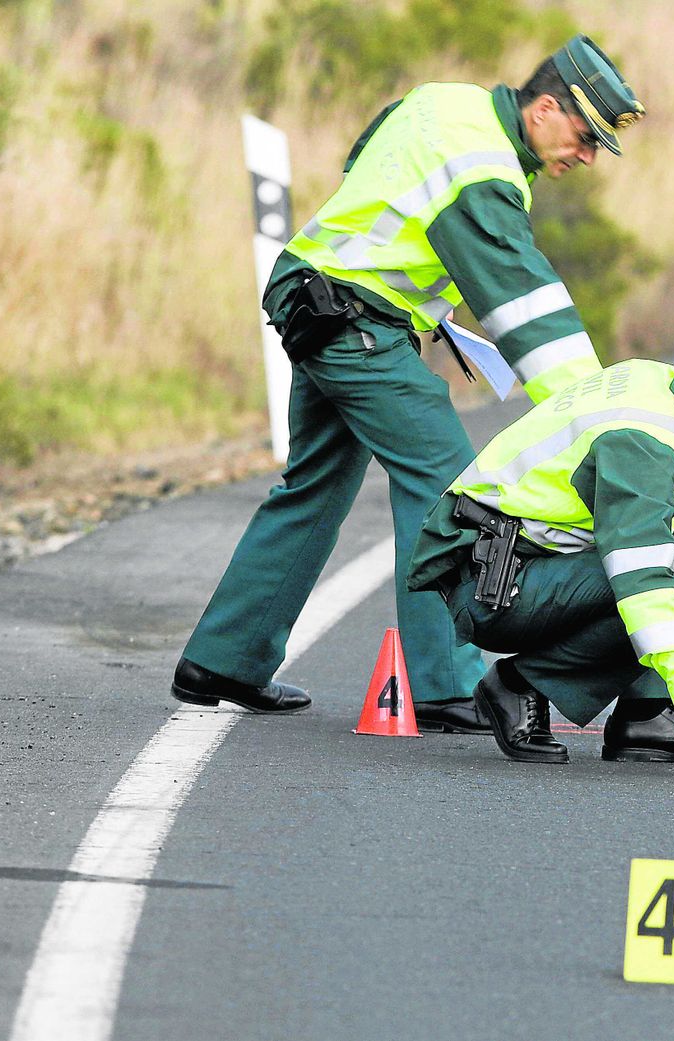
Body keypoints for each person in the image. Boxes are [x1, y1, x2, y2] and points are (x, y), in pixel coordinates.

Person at [171, 36, 649, 720]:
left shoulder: (443, 101)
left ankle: (221, 659)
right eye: (584, 135)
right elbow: (528, 309)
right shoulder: (486, 171)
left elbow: (363, 162)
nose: (588, 155)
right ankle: (445, 684)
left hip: (316, 295)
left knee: (313, 486)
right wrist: (607, 418)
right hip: (356, 319)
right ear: (545, 108)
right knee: (448, 484)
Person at [406, 338, 674, 780]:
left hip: (523, 560)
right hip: (491, 586)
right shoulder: (642, 444)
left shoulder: (663, 383)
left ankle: (645, 714)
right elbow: (643, 575)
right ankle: (519, 684)